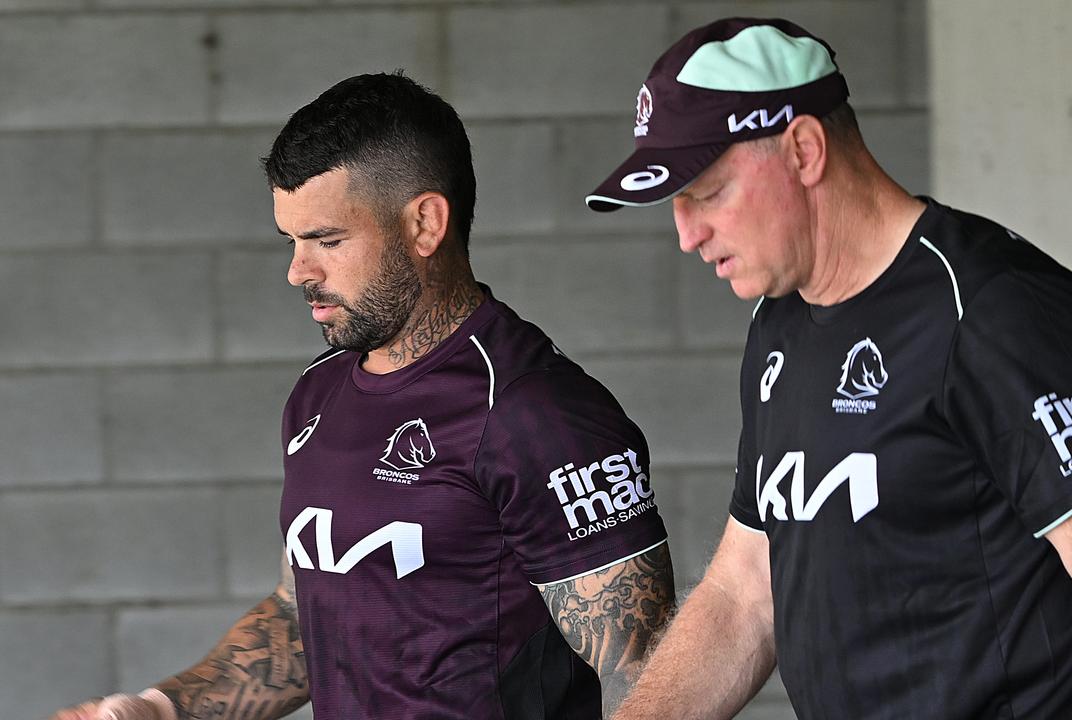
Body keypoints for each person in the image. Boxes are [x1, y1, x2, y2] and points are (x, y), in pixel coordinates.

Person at [585, 17, 1072, 720]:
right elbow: (746, 591)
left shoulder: (995, 308)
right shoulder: (778, 323)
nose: (686, 234)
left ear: (804, 149)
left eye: (707, 192)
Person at [50, 72, 674, 720]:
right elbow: (305, 617)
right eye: (291, 241)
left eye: (327, 240)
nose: (298, 271)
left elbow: (651, 679)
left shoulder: (534, 413)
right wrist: (158, 709)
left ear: (424, 224)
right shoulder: (317, 392)